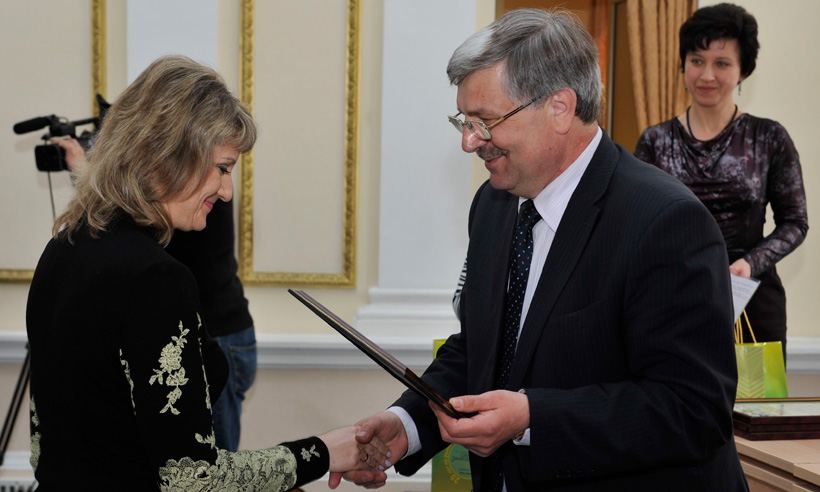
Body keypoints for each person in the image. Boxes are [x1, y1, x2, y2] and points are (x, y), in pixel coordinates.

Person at [343, 8, 748, 491]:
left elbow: (694, 410)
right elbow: (482, 349)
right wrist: (407, 424)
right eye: (464, 121)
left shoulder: (665, 221)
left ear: (559, 107)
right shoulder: (493, 205)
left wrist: (533, 418)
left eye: (485, 121)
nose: (470, 142)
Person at [26, 55, 389, 490]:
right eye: (223, 168)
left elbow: (43, 446)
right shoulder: (155, 279)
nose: (227, 191)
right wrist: (324, 451)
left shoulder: (61, 247)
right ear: (168, 155)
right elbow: (192, 479)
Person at [55, 140, 256, 453]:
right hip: (212, 329)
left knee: (204, 456)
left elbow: (199, 472)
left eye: (225, 169)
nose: (226, 191)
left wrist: (84, 170)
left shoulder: (185, 205)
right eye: (222, 169)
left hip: (217, 333)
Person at [633, 3, 808, 361]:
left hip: (753, 303)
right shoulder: (654, 141)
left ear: (744, 71)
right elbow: (637, 225)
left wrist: (750, 263)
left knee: (754, 398)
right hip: (675, 302)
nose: (707, 75)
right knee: (680, 396)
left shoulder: (769, 137)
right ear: (683, 64)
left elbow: (795, 222)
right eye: (697, 60)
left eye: (722, 63)